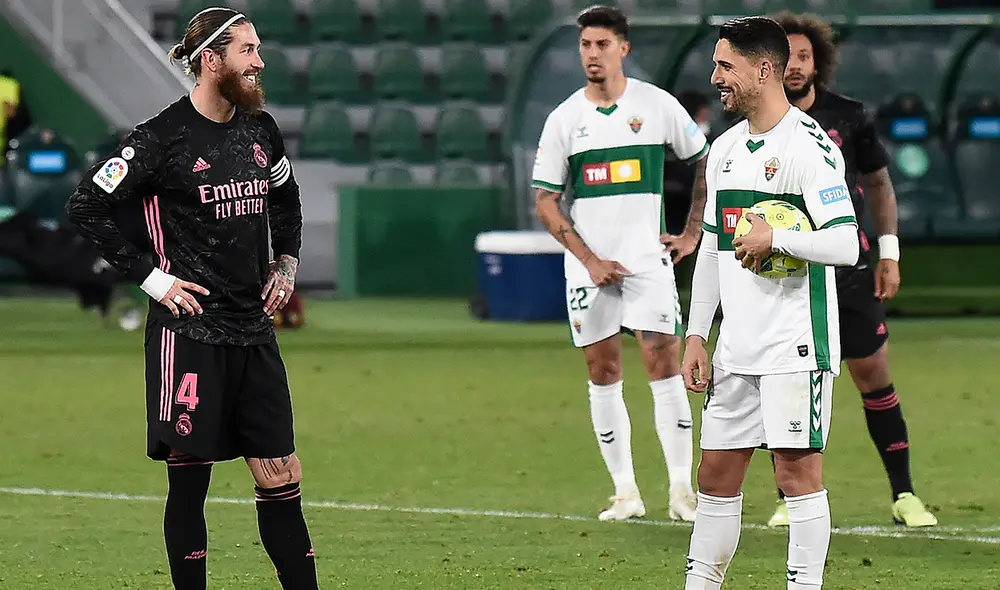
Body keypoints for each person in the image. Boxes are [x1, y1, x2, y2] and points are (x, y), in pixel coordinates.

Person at [65, 7, 319, 589]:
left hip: (254, 332)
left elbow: (286, 200)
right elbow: (87, 205)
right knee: (190, 481)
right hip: (190, 334)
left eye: (258, 50)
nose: (260, 62)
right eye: (248, 51)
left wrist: (286, 261)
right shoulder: (159, 140)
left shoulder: (262, 130)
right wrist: (154, 280)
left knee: (281, 474)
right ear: (212, 60)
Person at [682, 17, 860, 589]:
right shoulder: (725, 149)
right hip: (736, 346)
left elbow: (844, 242)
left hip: (794, 343)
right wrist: (696, 334)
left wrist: (775, 238)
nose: (715, 78)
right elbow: (711, 247)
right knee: (714, 474)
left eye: (725, 66)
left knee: (797, 474)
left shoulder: (810, 149)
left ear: (764, 70)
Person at [532, 4, 709, 522]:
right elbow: (545, 199)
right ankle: (626, 492)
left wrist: (693, 231)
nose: (592, 54)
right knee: (602, 370)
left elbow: (704, 159)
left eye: (602, 44)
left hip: (647, 261)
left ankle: (681, 492)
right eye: (585, 45)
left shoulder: (655, 106)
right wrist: (589, 260)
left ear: (623, 48)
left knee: (664, 365)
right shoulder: (565, 118)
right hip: (589, 269)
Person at [764, 11, 936, 528]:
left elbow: (880, 186)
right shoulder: (752, 124)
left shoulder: (849, 116)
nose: (794, 66)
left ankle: (904, 494)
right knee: (788, 387)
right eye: (784, 56)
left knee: (873, 379)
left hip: (850, 272)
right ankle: (788, 498)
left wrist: (889, 253)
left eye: (803, 55)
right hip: (784, 279)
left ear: (819, 61)